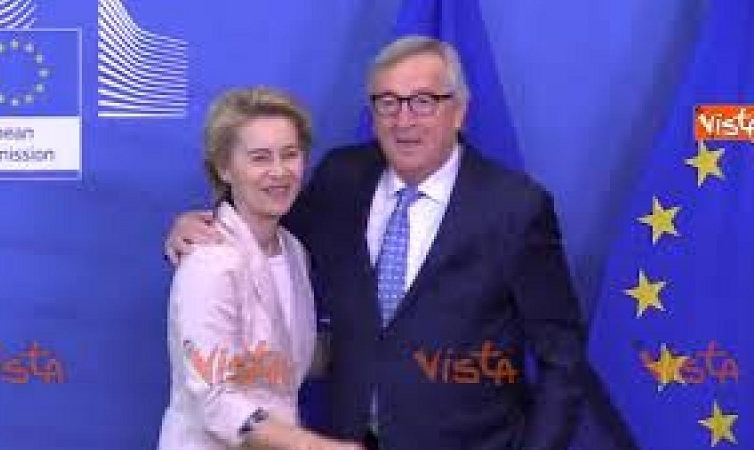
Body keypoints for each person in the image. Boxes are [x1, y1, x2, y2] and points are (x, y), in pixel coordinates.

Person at [166, 37, 586, 450]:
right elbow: (259, 226)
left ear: (458, 111)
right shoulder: (341, 177)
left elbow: (561, 358)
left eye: (423, 101)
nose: (404, 120)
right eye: (388, 102)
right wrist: (194, 225)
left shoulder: (515, 207)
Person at [158, 87, 363, 450]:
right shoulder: (210, 261)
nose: (279, 172)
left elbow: (287, 359)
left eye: (290, 154)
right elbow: (215, 399)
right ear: (224, 167)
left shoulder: (293, 250)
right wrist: (317, 447)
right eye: (260, 158)